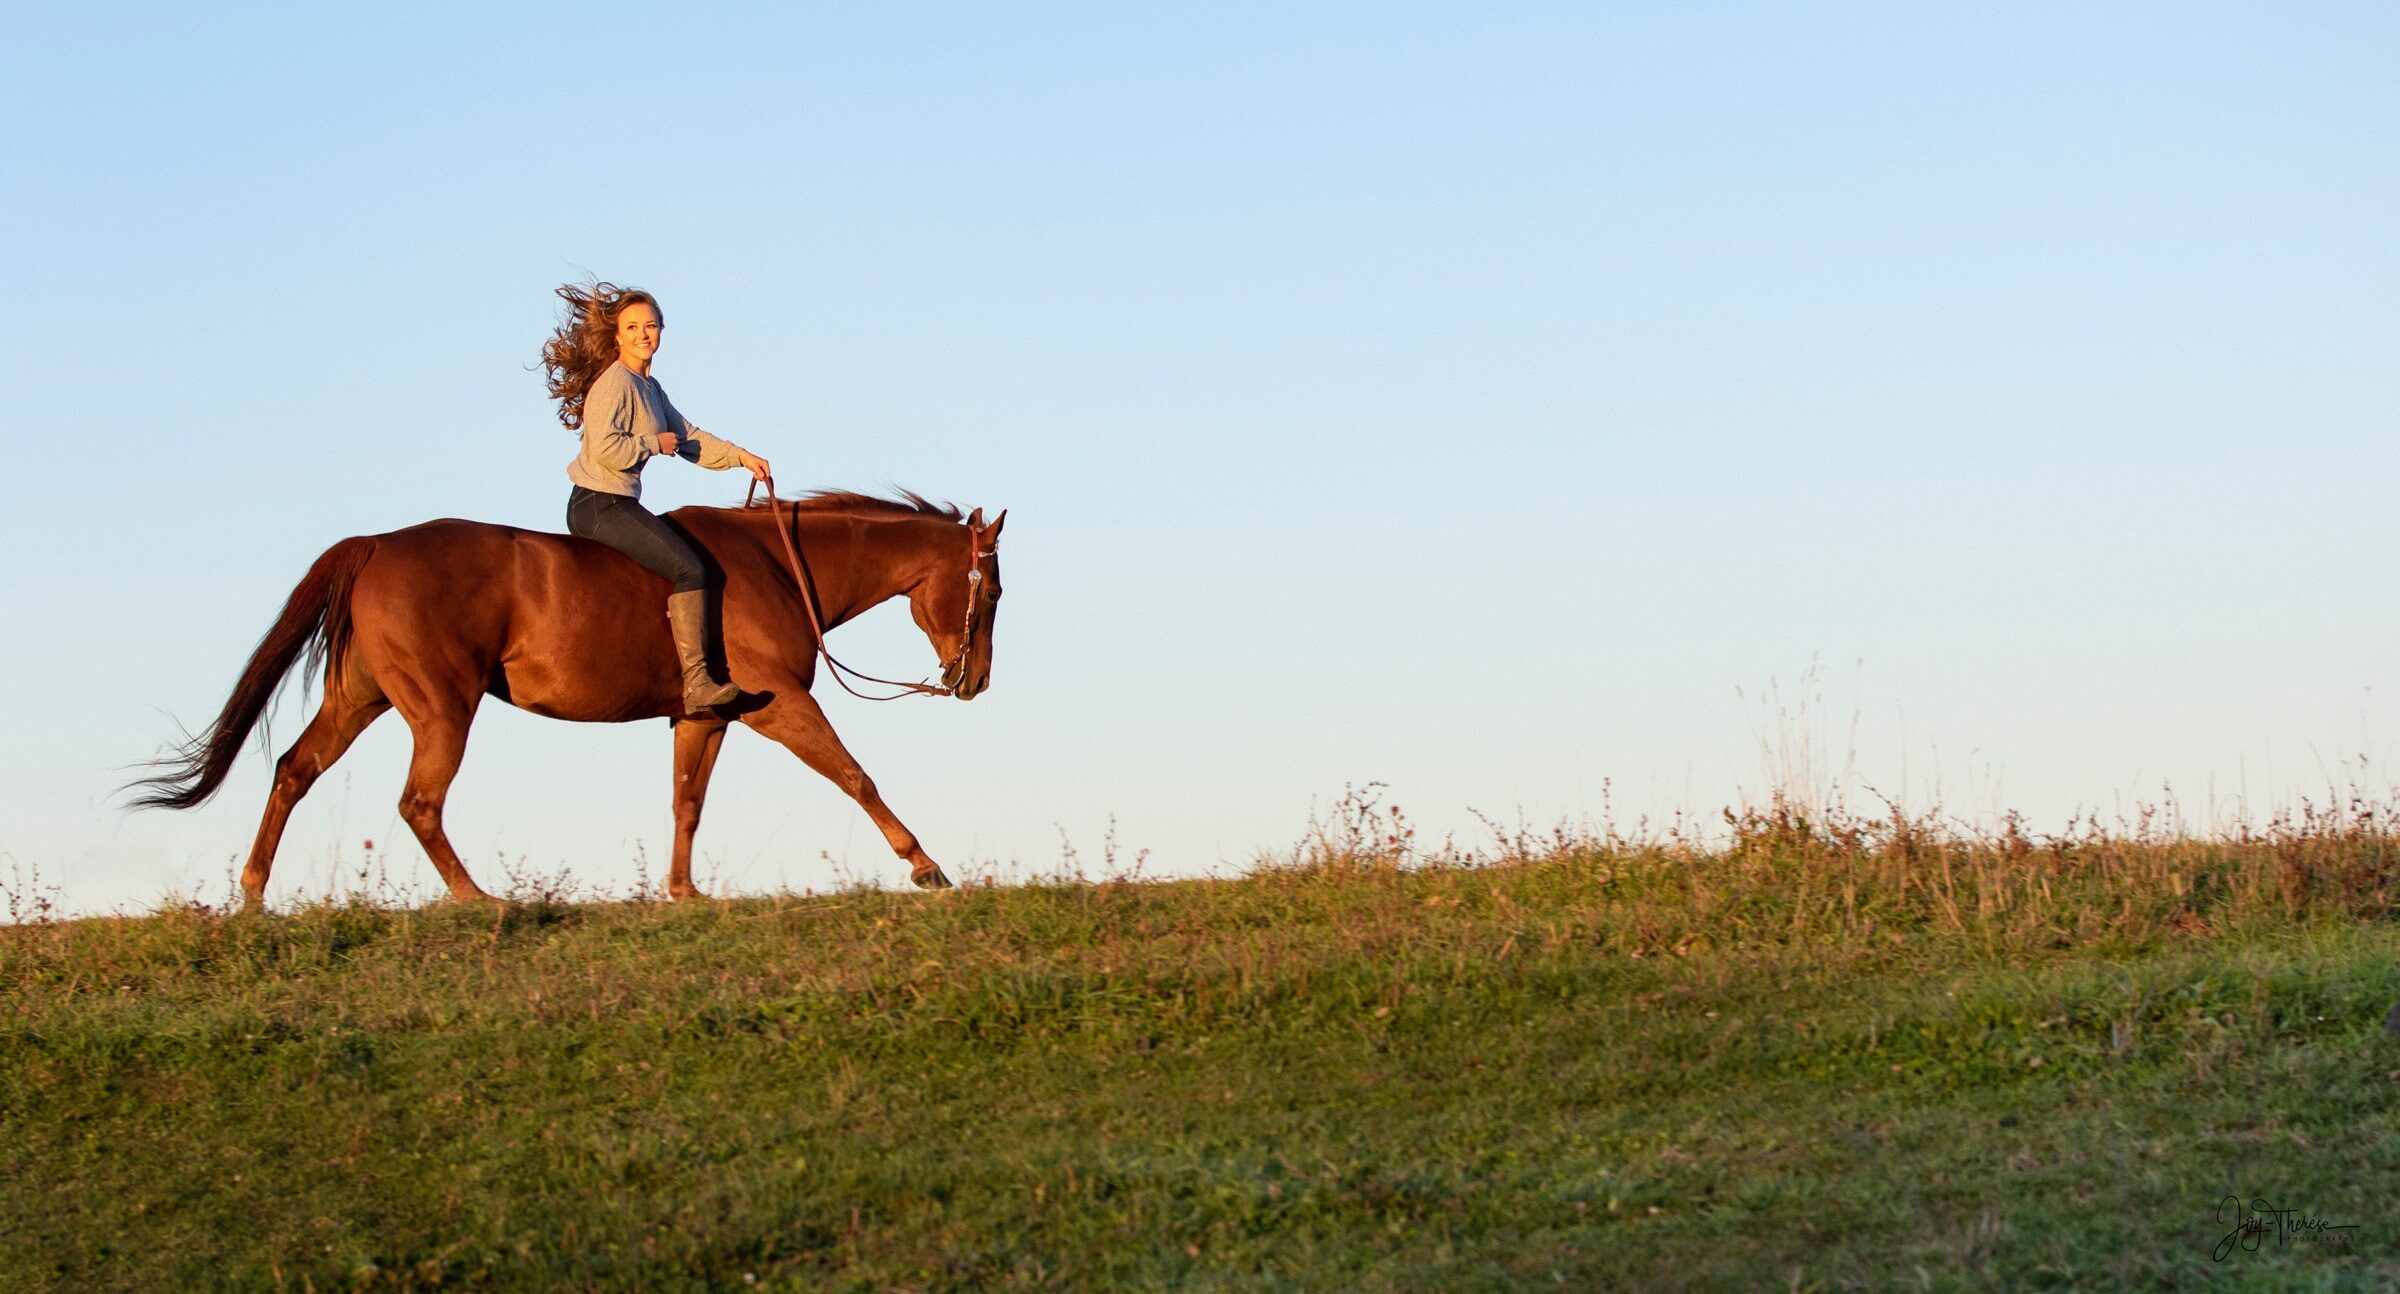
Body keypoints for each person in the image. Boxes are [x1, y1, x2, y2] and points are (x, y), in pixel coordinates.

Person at [538, 281, 771, 714]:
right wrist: (651, 442)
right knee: (690, 567)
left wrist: (741, 457)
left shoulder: (650, 387)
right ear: (618, 336)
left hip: (618, 501)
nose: (644, 334)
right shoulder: (615, 383)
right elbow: (605, 448)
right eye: (633, 327)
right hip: (597, 502)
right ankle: (698, 682)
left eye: (650, 325)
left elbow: (687, 437)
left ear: (661, 330)